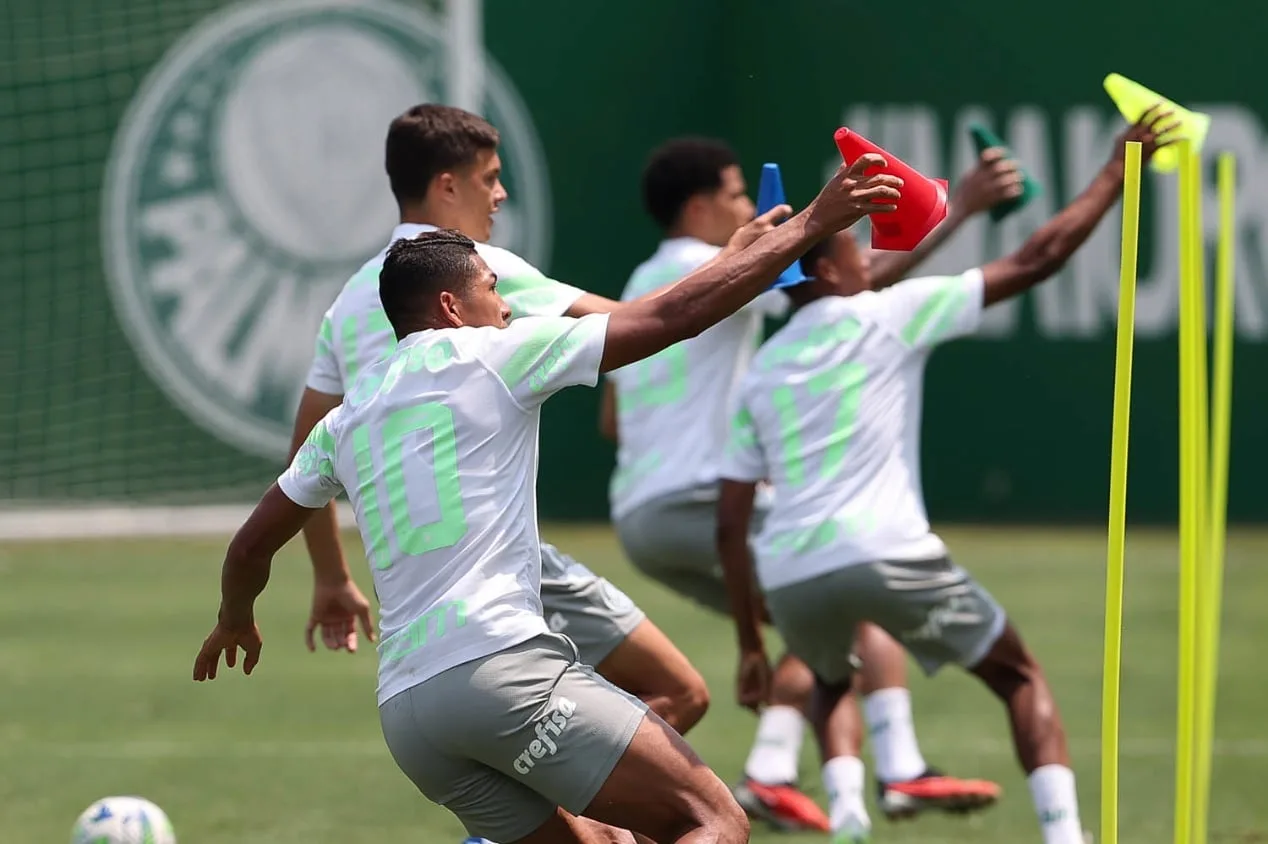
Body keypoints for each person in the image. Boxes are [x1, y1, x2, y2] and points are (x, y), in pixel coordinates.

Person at [192, 155, 904, 844]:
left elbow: (251, 545)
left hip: (409, 717)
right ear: (450, 306)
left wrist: (235, 620)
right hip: (501, 667)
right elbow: (672, 319)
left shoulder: (344, 420)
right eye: (490, 288)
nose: (504, 305)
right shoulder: (496, 354)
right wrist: (813, 223)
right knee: (711, 822)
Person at [714, 106, 1176, 843]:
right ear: (829, 268)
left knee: (832, 676)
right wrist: (1119, 171)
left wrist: (748, 643)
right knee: (1019, 677)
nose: (873, 253)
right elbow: (1035, 260)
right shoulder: (890, 315)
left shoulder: (760, 371)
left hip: (791, 568)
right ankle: (1066, 837)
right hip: (889, 547)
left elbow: (731, 520)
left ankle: (852, 816)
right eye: (856, 246)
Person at [601, 136, 1020, 829]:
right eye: (739, 194)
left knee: (810, 618)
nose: (753, 208)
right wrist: (964, 205)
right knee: (845, 570)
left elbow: (613, 419)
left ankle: (771, 769)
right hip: (701, 497)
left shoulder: (635, 284)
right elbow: (850, 283)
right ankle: (901, 767)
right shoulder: (722, 268)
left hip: (640, 516)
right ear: (701, 206)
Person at [292, 104, 708, 737]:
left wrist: (331, 576)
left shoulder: (350, 301)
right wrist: (740, 261)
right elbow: (643, 324)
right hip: (496, 556)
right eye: (489, 177)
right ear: (447, 186)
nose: (501, 193)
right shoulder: (480, 269)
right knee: (677, 691)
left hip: (406, 576)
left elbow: (303, 451)